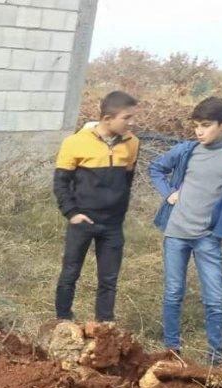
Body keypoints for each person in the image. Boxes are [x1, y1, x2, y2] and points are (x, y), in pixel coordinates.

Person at [149, 96, 222, 365]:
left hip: (208, 237)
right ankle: (172, 349)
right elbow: (156, 168)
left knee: (215, 299)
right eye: (196, 125)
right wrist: (168, 193)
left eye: (206, 125)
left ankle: (215, 359)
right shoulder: (187, 150)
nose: (199, 131)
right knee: (173, 293)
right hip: (176, 233)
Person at [52, 91, 140, 322]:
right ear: (107, 118)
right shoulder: (75, 143)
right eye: (127, 117)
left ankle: (105, 325)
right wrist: (71, 213)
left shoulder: (132, 143)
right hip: (83, 221)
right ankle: (63, 319)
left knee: (109, 279)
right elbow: (61, 183)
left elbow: (127, 180)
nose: (132, 123)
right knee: (70, 273)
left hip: (113, 224)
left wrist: (120, 210)